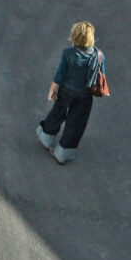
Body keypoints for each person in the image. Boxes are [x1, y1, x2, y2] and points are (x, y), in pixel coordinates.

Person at [37, 21, 105, 165]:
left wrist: (52, 91)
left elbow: (59, 75)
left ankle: (46, 138)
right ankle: (62, 153)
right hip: (85, 95)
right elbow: (101, 74)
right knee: (76, 122)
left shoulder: (68, 53)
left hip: (66, 91)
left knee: (58, 112)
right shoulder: (99, 56)